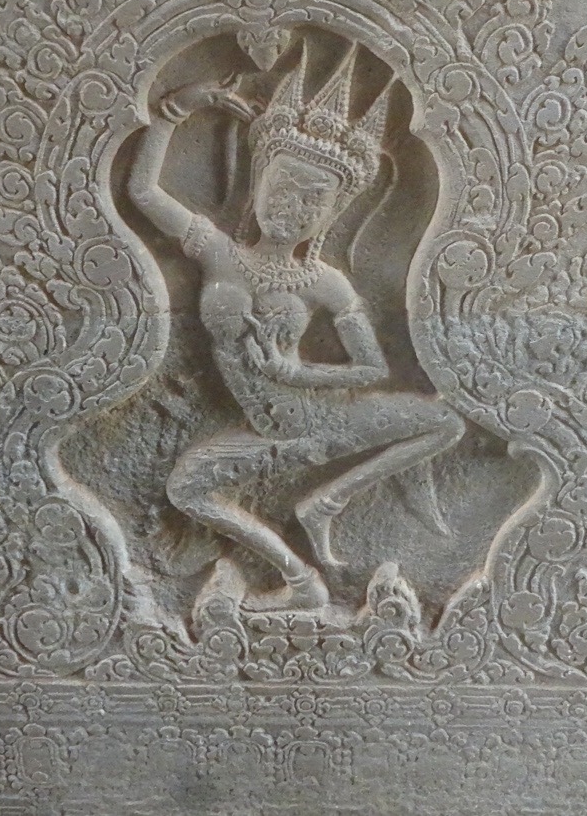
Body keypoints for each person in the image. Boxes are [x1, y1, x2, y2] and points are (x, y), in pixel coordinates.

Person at [130, 41, 463, 611]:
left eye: (313, 200)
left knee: (446, 424)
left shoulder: (324, 282)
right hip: (265, 431)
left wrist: (295, 371)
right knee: (186, 488)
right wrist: (175, 109)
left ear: (333, 213)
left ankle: (327, 503)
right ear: (259, 181)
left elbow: (371, 368)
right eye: (283, 188)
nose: (292, 207)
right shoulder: (218, 253)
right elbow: (142, 191)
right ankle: (300, 578)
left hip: (316, 421)